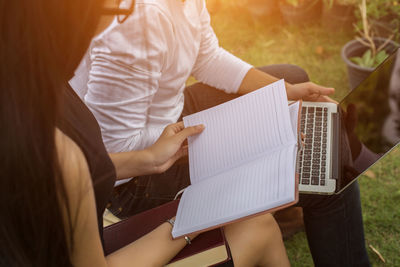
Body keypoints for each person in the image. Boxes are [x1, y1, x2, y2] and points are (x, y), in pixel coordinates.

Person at [71, 1, 371, 266]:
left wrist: (284, 91)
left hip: (167, 116)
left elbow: (207, 57)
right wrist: (235, 129)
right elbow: (113, 146)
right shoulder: (140, 21)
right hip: (131, 183)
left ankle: (285, 211)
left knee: (293, 78)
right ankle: (294, 201)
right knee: (333, 178)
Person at [0, 0, 292, 266]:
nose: (117, 16)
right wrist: (183, 224)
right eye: (113, 8)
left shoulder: (31, 96)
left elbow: (73, 169)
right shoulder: (53, 147)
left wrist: (147, 159)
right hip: (98, 237)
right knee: (258, 226)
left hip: (88, 218)